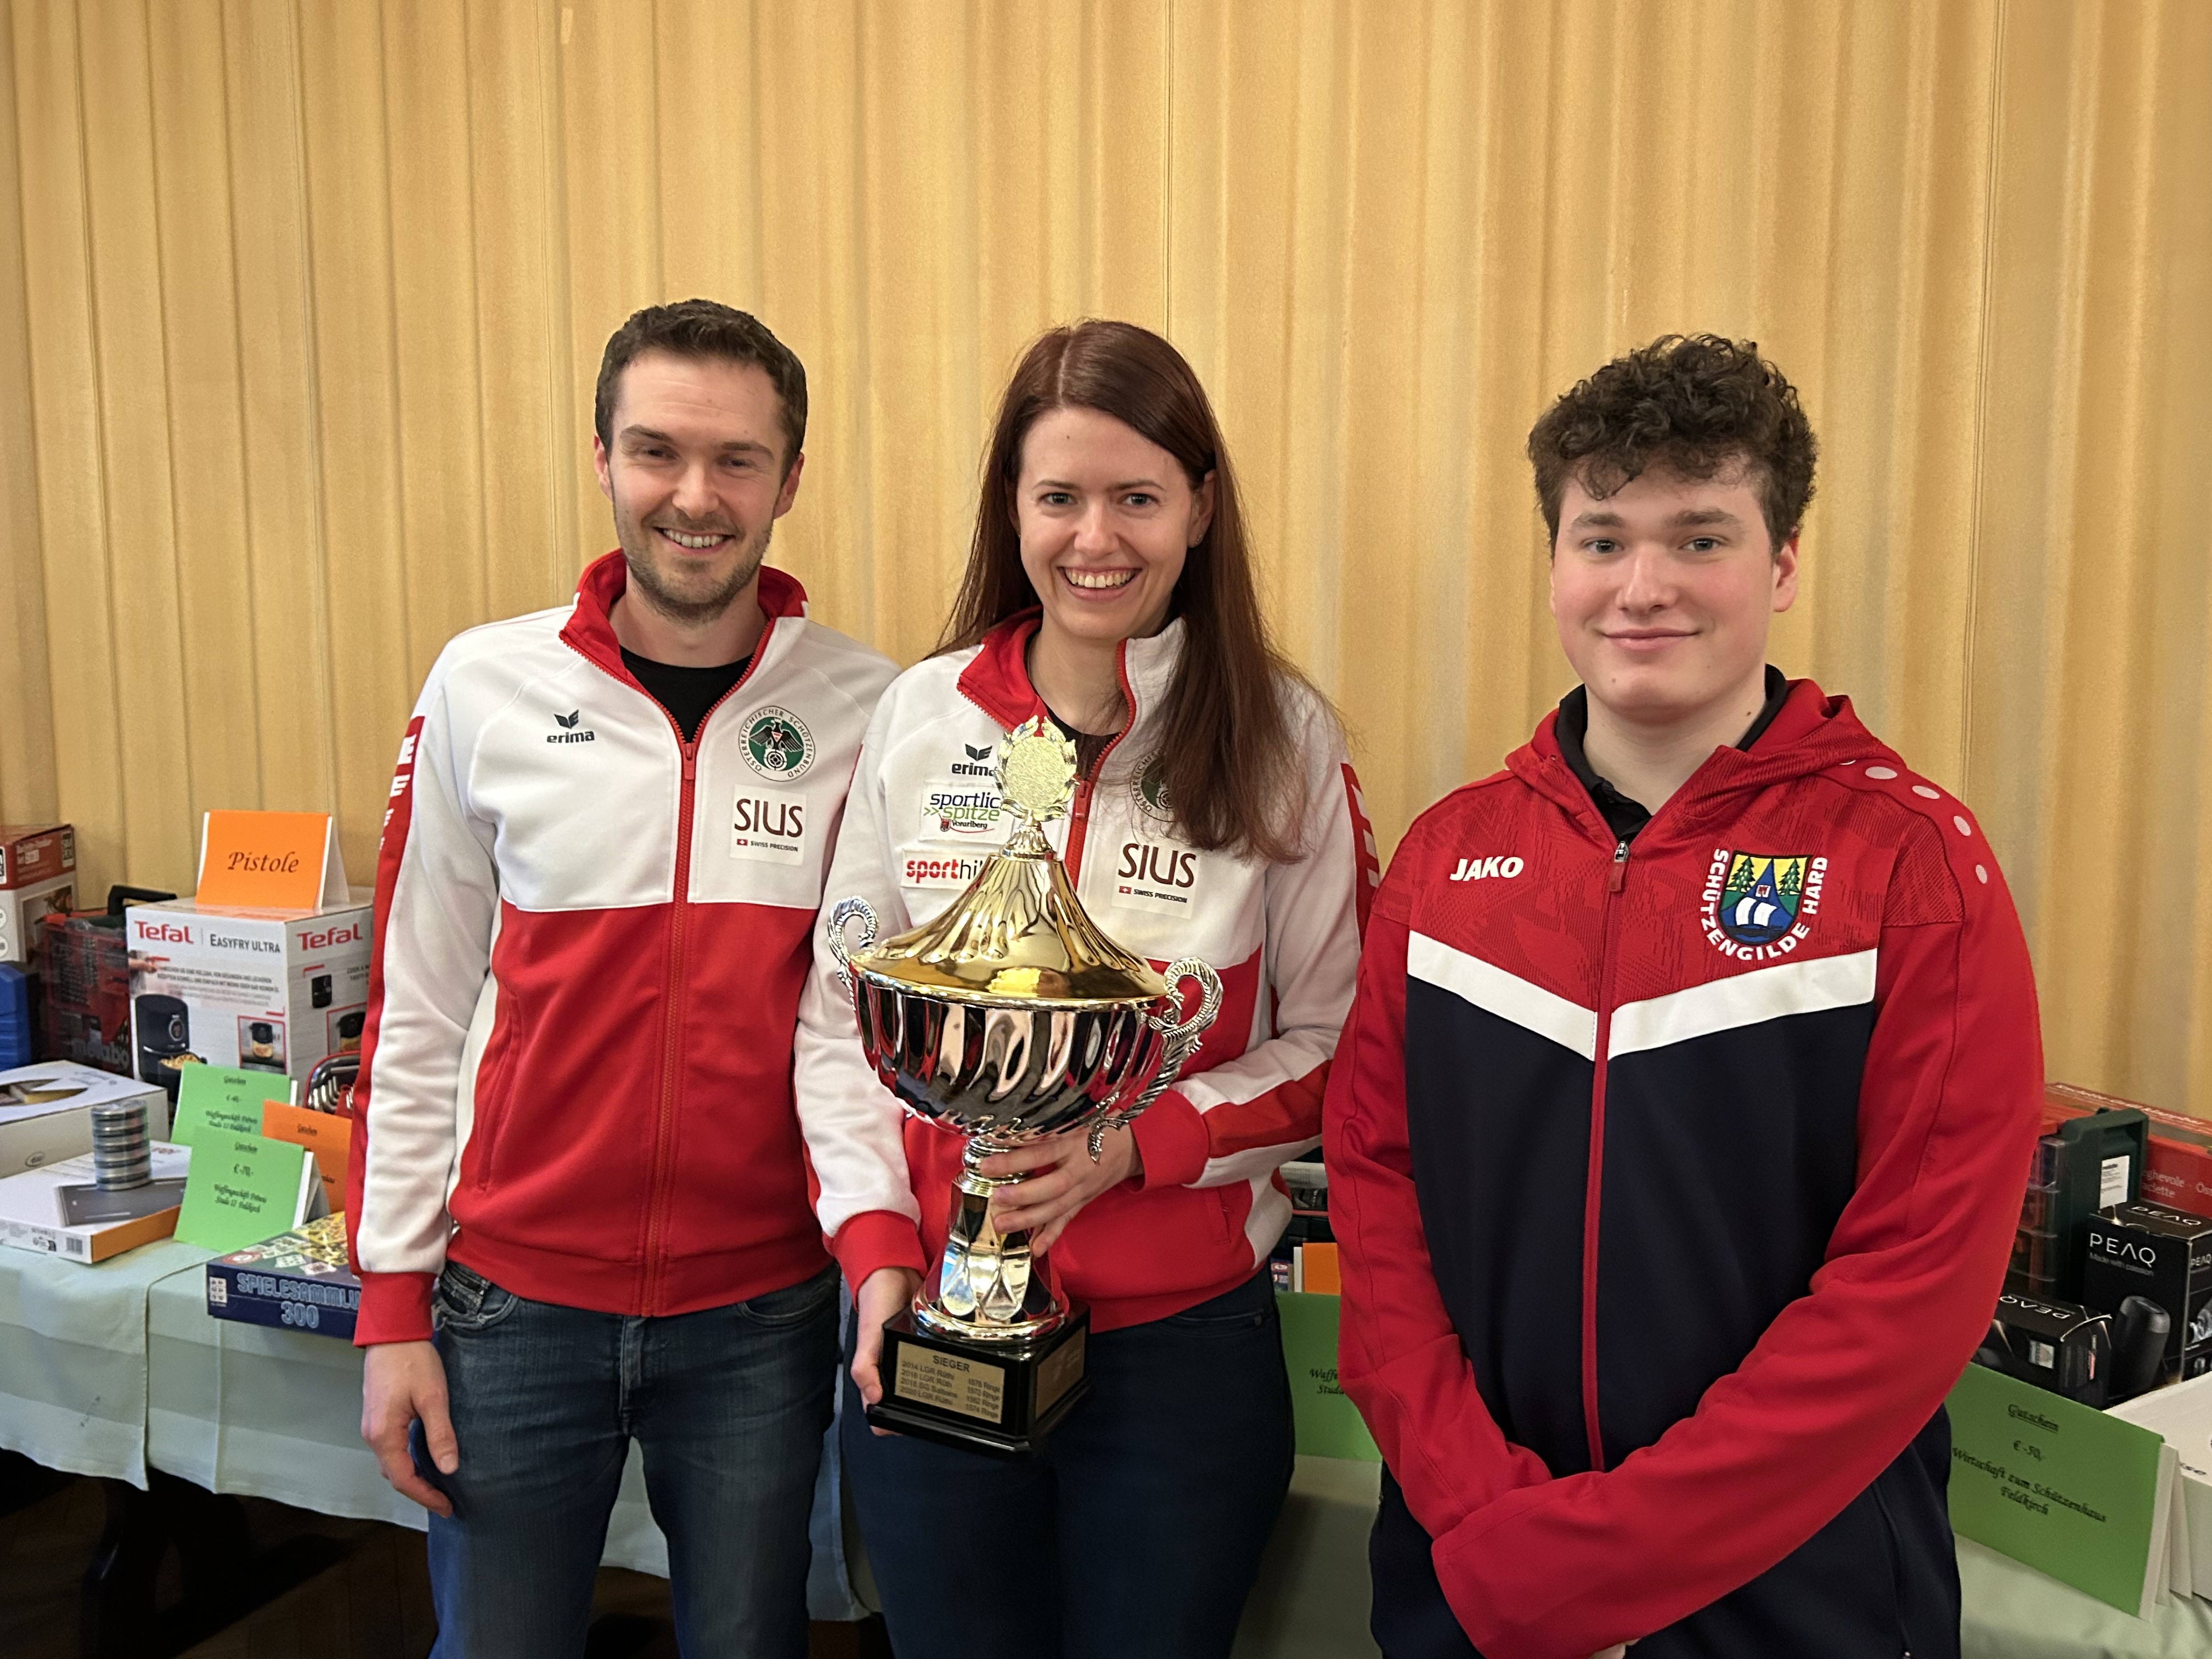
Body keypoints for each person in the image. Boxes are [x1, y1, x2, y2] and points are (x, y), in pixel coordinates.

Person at [1327, 335, 2042, 1659]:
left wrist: (1596, 1563)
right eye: (1602, 540)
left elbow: (1912, 1290)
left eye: (1700, 538)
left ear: (1782, 564)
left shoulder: (1910, 867)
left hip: (1795, 1604)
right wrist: (1487, 1523)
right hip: (1474, 1580)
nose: (1642, 587)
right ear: (1555, 564)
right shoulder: (1446, 860)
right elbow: (1376, 1199)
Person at [793, 319, 1375, 1658]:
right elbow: (839, 1021)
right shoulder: (921, 718)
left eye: (1137, 498)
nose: (1094, 538)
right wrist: (876, 1258)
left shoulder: (1283, 739)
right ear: (1014, 508)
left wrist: (1136, 1147)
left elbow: (1339, 1042)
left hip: (1182, 1358)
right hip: (933, 1307)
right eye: (1059, 496)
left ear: (1201, 508)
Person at [349, 300, 896, 1658]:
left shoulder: (869, 710)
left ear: (790, 479)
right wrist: (392, 1305)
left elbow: (861, 1028)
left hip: (762, 1314)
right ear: (602, 456)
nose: (694, 497)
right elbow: (417, 1012)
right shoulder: (483, 685)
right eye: (657, 451)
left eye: (736, 461)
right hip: (510, 1310)